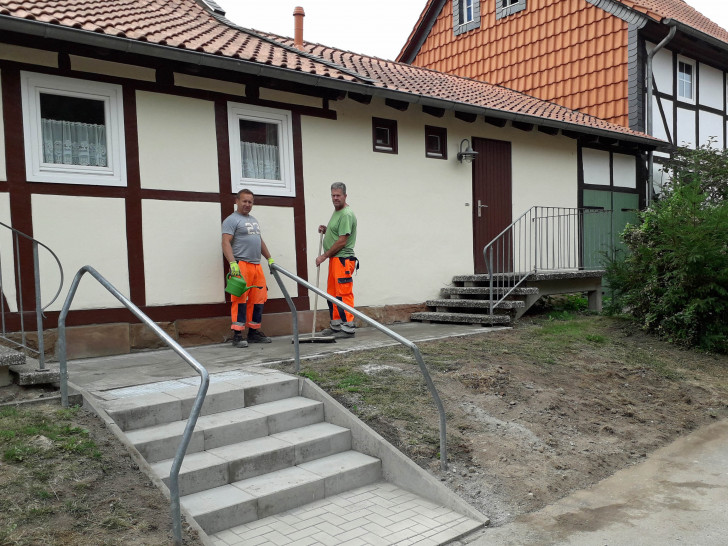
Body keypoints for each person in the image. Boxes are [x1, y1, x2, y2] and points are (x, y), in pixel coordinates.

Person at [222, 189, 274, 347]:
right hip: (241, 265)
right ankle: (238, 335)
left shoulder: (253, 220)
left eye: (250, 202)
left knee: (258, 299)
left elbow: (259, 241)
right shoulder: (231, 220)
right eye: (244, 201)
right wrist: (232, 263)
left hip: (256, 265)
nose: (247, 204)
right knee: (240, 299)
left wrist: (269, 258)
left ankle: (253, 332)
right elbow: (225, 242)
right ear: (237, 201)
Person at [315, 182, 358, 338]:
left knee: (343, 294)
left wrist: (323, 256)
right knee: (332, 295)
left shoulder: (346, 214)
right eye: (333, 195)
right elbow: (337, 233)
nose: (335, 198)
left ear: (345, 196)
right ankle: (336, 326)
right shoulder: (337, 212)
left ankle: (348, 328)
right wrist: (326, 231)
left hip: (343, 260)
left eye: (338, 195)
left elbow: (342, 241)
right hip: (335, 260)